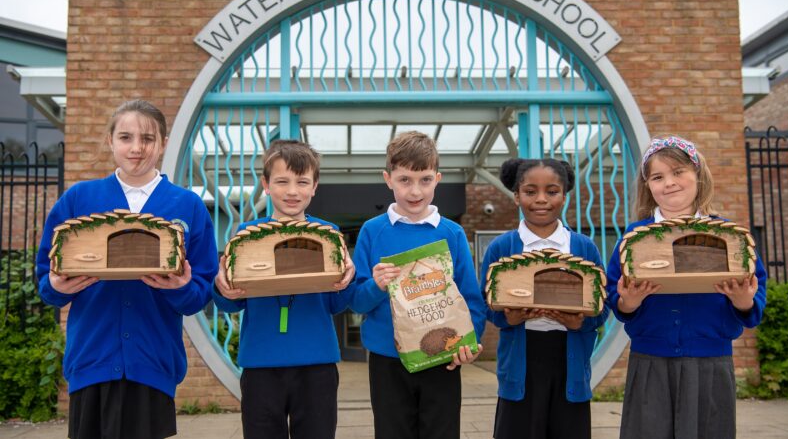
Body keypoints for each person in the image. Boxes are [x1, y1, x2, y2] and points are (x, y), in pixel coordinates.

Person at [35, 99, 218, 439]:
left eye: (147, 139)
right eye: (125, 137)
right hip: (91, 361)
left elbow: (200, 295)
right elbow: (46, 283)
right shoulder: (78, 200)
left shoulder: (187, 206)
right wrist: (58, 286)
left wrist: (178, 286)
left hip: (153, 362)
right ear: (110, 141)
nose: (137, 148)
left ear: (162, 144)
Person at [605, 135, 767, 439]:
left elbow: (754, 294)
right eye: (658, 176)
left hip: (711, 364)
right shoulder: (634, 237)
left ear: (698, 175)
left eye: (678, 172)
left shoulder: (729, 236)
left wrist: (744, 301)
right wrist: (628, 302)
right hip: (650, 362)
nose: (669, 183)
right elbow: (615, 295)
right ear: (648, 186)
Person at [213, 139, 355, 439]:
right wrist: (220, 285)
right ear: (266, 184)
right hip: (261, 364)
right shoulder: (246, 236)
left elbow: (337, 304)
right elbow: (230, 304)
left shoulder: (328, 235)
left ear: (315, 186)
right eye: (282, 181)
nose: (293, 191)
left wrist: (346, 279)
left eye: (302, 182)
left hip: (317, 364)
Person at [349, 131, 486, 439]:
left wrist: (470, 343)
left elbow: (472, 299)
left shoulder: (452, 234)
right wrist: (376, 285)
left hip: (444, 358)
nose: (415, 191)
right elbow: (356, 300)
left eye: (424, 180)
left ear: (437, 178)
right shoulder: (372, 232)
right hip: (387, 359)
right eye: (404, 180)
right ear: (388, 179)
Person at [480, 158, 609, 439]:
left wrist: (580, 324)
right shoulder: (502, 247)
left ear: (564, 196)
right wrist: (506, 317)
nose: (541, 199)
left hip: (568, 359)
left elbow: (601, 306)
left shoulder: (583, 247)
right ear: (516, 196)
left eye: (551, 191)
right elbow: (486, 303)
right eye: (530, 191)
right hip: (521, 360)